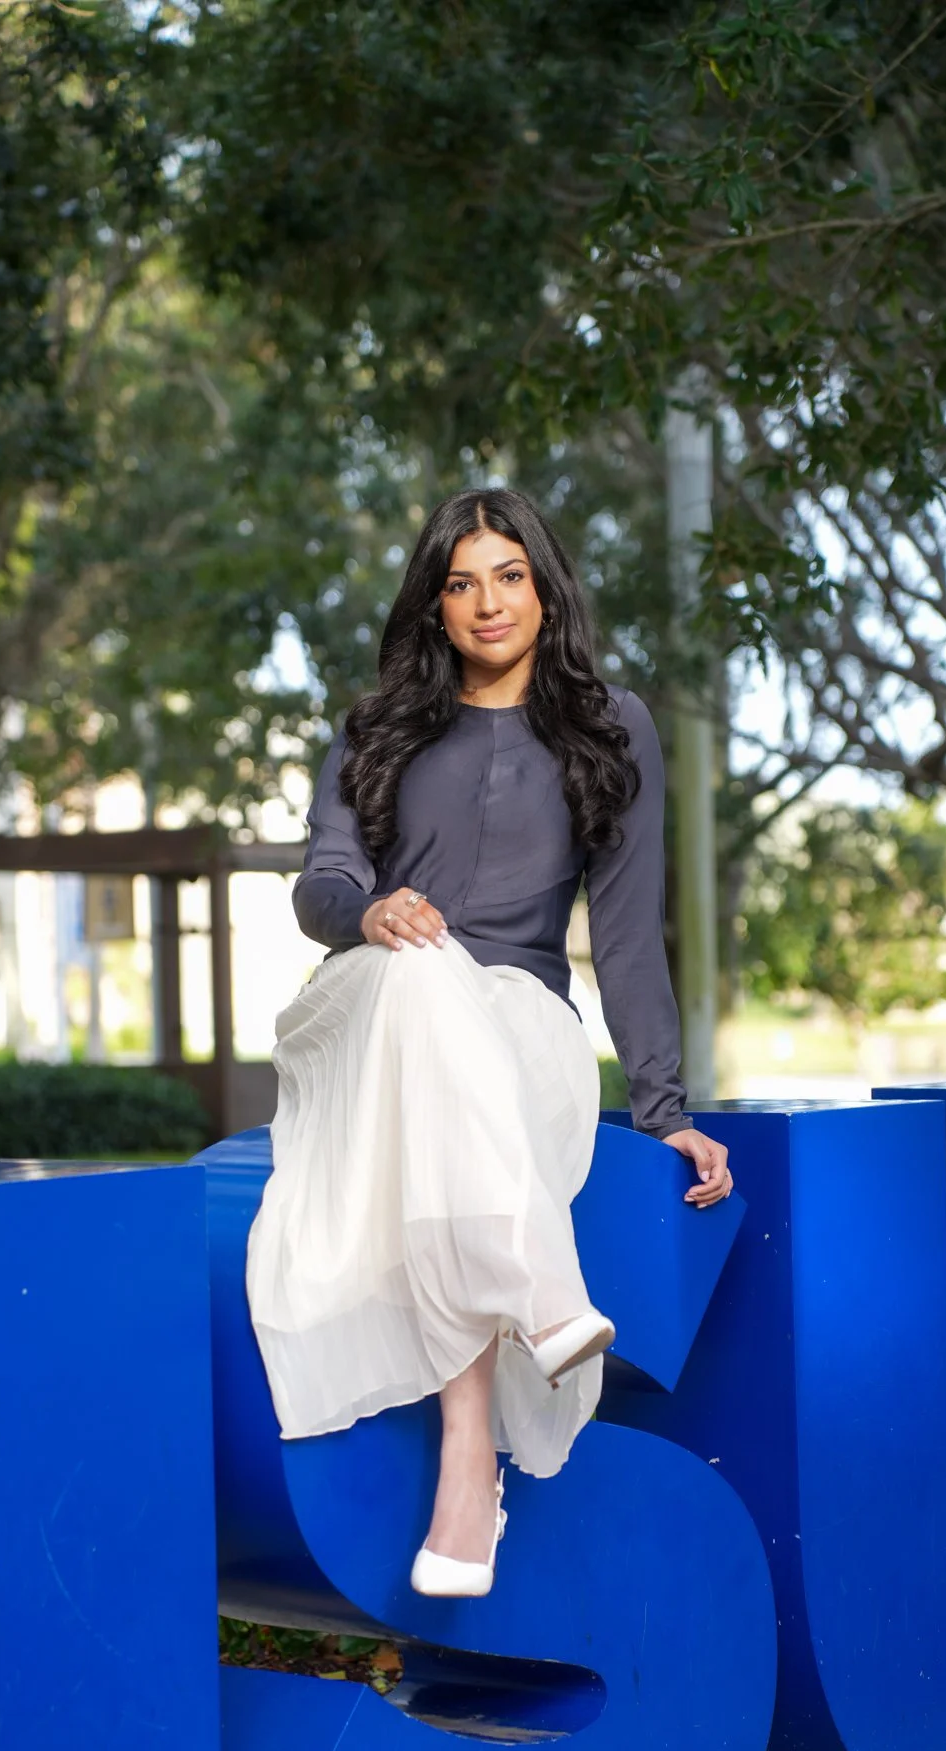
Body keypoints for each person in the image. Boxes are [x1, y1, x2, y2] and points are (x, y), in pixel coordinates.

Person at [246, 487, 733, 1598]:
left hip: (520, 1026)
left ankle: (471, 1456)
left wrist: (663, 1109)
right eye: (460, 582)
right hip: (370, 1010)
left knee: (456, 1016)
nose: (486, 601)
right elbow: (321, 885)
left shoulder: (613, 726)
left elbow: (627, 932)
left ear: (545, 586)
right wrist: (371, 911)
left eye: (508, 574)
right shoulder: (376, 726)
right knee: (421, 974)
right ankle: (542, 1301)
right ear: (433, 604)